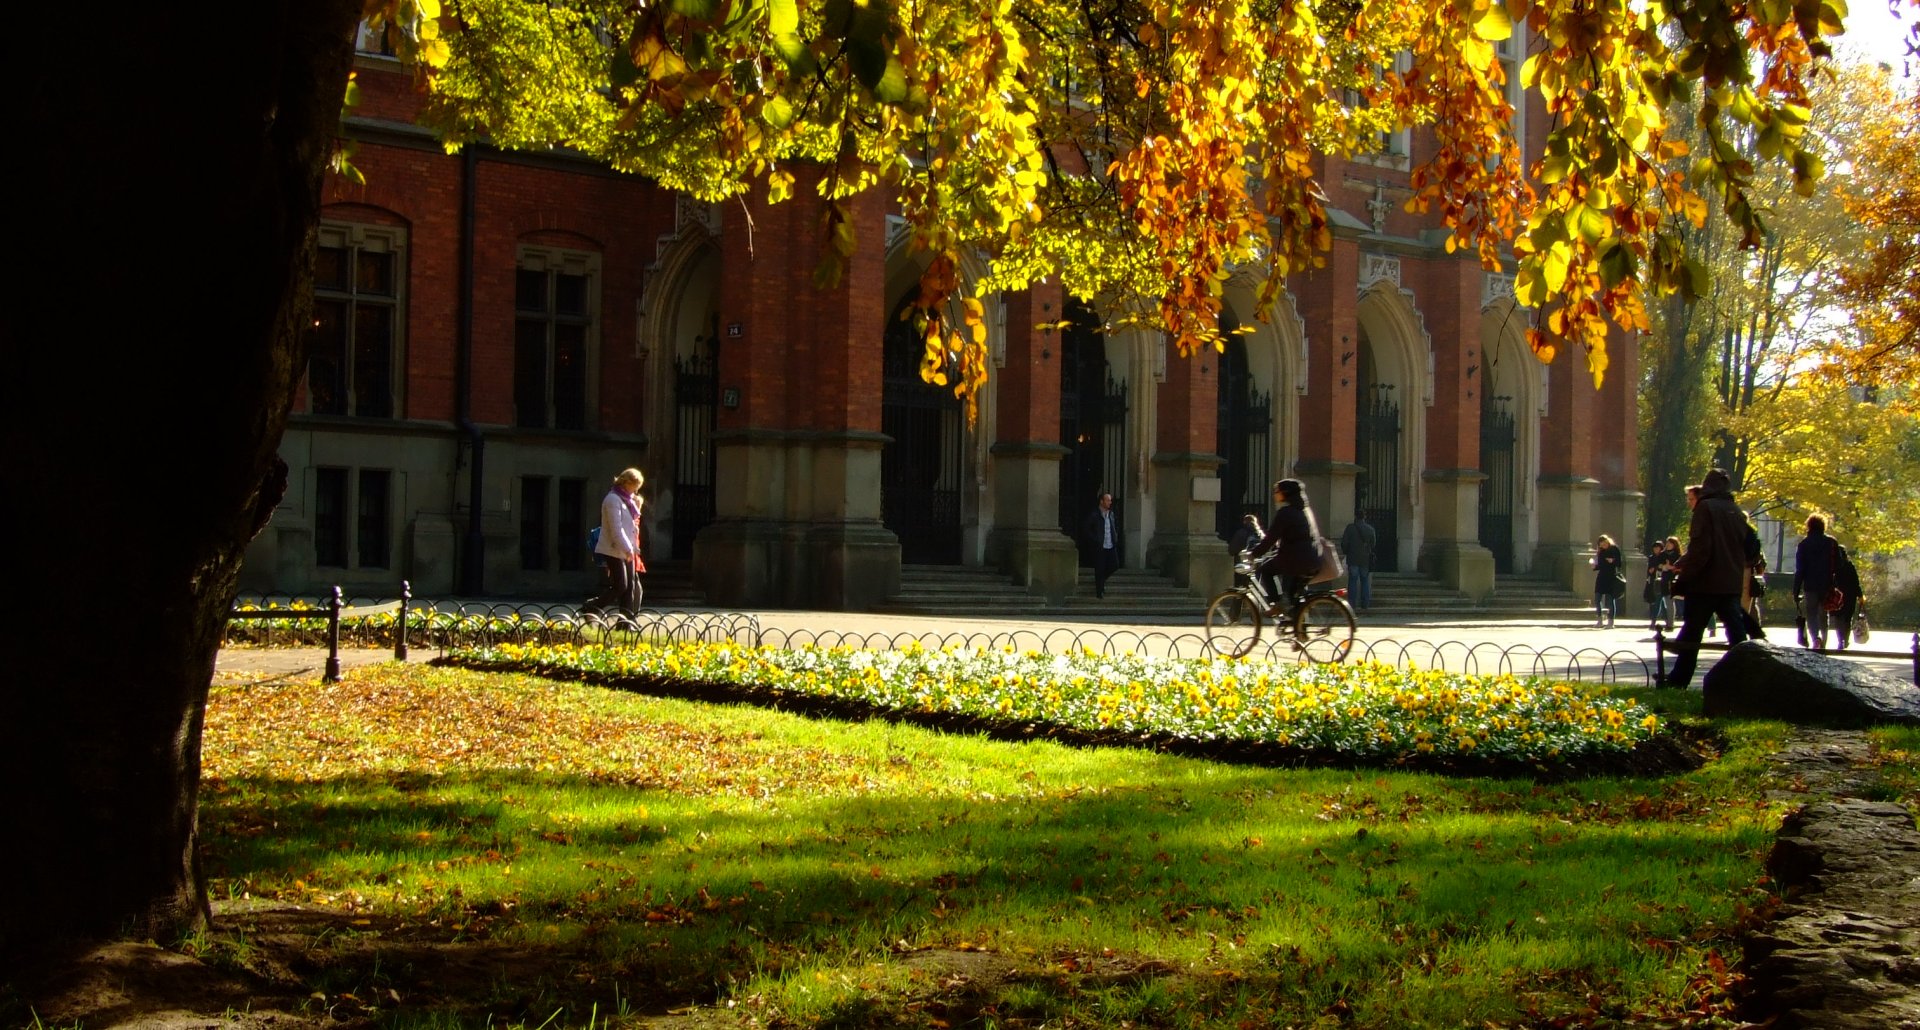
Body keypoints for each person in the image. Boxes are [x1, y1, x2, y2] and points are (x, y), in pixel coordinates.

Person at [1659, 468, 1751, 688]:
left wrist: (1684, 580)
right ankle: (1748, 676)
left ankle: (1678, 680)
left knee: (1693, 632)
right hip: (1729, 583)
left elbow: (1701, 549)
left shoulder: (1705, 508)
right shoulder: (1736, 511)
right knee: (1736, 633)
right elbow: (1746, 548)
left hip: (1705, 583)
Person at [1247, 478, 1324, 613]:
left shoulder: (1285, 513)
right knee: (1293, 599)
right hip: (1313, 559)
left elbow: (1270, 539)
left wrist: (1254, 554)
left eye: (1278, 491)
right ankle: (1298, 626)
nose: (1275, 494)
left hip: (1296, 561)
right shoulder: (1306, 511)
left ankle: (1277, 604)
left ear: (1285, 494)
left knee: (1266, 570)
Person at [584, 467, 646, 616]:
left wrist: (633, 548)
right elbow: (616, 529)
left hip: (626, 549)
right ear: (626, 483)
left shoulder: (628, 501)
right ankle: (592, 606)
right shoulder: (612, 499)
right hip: (612, 549)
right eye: (635, 486)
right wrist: (627, 548)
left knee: (630, 586)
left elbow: (630, 527)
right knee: (621, 585)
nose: (636, 490)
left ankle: (625, 622)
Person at [1792, 514, 1840, 651]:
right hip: (1827, 584)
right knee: (1824, 614)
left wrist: (1796, 589)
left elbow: (1800, 569)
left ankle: (1815, 638)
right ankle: (1823, 642)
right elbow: (1839, 564)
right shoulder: (1831, 543)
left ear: (1809, 526)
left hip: (1810, 585)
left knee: (1811, 613)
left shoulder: (1804, 544)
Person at [1082, 492, 1121, 599]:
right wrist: (1095, 539)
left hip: (1110, 544)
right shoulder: (1095, 515)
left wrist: (1115, 537)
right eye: (1108, 500)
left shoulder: (1111, 514)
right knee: (1099, 568)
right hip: (1100, 546)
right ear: (1101, 501)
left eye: (1110, 500)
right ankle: (1099, 591)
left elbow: (1115, 527)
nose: (1110, 502)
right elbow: (1087, 528)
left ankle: (1102, 580)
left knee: (1115, 565)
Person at [1832, 540, 1866, 650]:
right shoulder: (1850, 566)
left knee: (1838, 619)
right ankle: (1844, 640)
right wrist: (1860, 596)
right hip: (1849, 596)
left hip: (1836, 596)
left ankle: (1840, 640)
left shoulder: (1833, 568)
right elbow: (1856, 583)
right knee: (1847, 619)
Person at [1340, 514, 1377, 610]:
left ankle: (1352, 604)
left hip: (1352, 558)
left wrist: (1347, 551)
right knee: (1365, 581)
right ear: (1364, 517)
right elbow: (1373, 544)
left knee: (1352, 581)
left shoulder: (1350, 528)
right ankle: (1365, 604)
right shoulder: (1370, 529)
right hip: (1365, 559)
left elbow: (1344, 543)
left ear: (1355, 517)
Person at [1646, 535, 1680, 631]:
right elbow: (1658, 564)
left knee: (1670, 602)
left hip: (1674, 580)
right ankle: (1667, 623)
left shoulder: (1678, 555)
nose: (1668, 545)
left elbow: (1680, 566)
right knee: (1665, 602)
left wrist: (1672, 567)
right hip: (1664, 580)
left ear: (1675, 545)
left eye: (1671, 543)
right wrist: (1664, 566)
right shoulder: (1663, 554)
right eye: (1667, 543)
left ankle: (1670, 624)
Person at [1591, 533, 1625, 627]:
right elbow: (1601, 565)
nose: (1603, 545)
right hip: (1601, 576)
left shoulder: (1614, 549)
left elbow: (1619, 563)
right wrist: (1595, 566)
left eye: (1604, 543)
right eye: (1601, 544)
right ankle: (1600, 620)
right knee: (1597, 598)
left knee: (1610, 600)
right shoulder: (1600, 552)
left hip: (1611, 577)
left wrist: (1612, 561)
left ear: (1608, 541)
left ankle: (1611, 622)